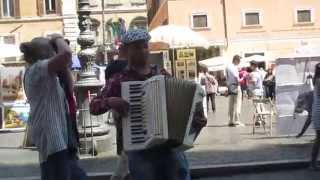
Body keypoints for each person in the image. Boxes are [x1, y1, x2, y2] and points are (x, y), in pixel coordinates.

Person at [90, 29, 207, 180]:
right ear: (125, 51)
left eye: (145, 46)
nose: (142, 51)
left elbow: (184, 106)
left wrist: (195, 121)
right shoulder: (119, 80)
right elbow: (94, 106)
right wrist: (110, 101)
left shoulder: (161, 74)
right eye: (137, 47)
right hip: (139, 150)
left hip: (168, 147)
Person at [20, 36, 87, 180]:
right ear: (44, 53)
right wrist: (57, 38)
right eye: (52, 49)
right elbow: (66, 55)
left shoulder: (48, 74)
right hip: (52, 139)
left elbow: (70, 85)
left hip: (59, 138)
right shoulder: (36, 70)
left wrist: (60, 57)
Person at [226, 55, 244, 127]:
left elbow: (227, 77)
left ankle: (231, 120)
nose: (239, 63)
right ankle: (237, 120)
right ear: (236, 60)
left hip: (230, 86)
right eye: (239, 61)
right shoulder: (234, 67)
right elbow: (236, 77)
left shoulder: (228, 67)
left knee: (231, 104)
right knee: (238, 103)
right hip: (236, 86)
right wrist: (242, 78)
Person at [310, 63, 320, 170]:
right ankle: (313, 164)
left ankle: (313, 163)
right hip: (319, 111)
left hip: (317, 110)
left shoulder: (316, 79)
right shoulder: (319, 80)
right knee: (319, 138)